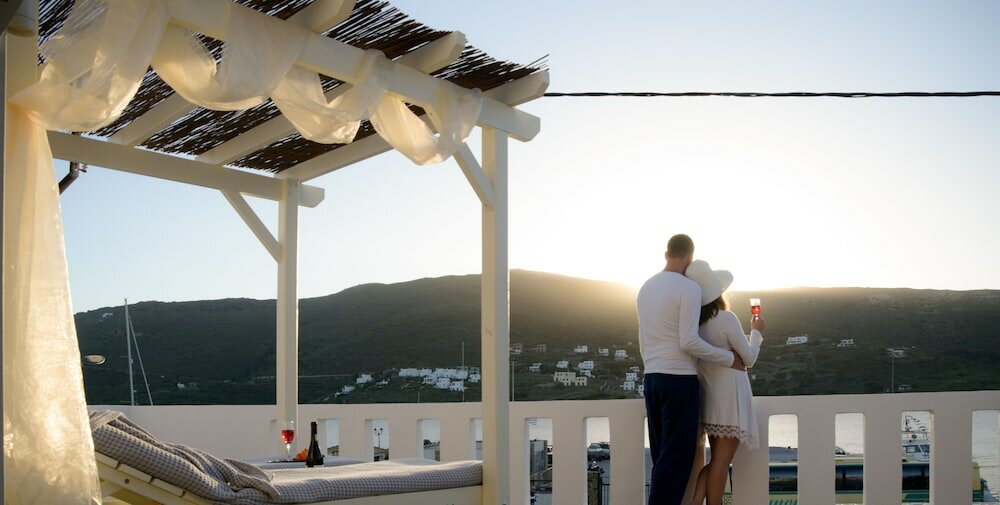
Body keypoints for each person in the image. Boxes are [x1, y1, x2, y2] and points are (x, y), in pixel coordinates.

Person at [637, 235, 746, 505]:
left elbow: (644, 339)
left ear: (666, 253)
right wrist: (727, 357)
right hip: (679, 381)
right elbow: (688, 341)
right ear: (689, 257)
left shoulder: (645, 287)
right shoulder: (688, 288)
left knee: (662, 458)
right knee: (677, 460)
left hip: (652, 378)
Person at [684, 260, 765, 505]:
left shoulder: (693, 323)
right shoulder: (726, 318)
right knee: (721, 461)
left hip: (709, 395)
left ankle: (697, 501)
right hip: (731, 396)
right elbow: (749, 358)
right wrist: (757, 332)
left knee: (716, 459)